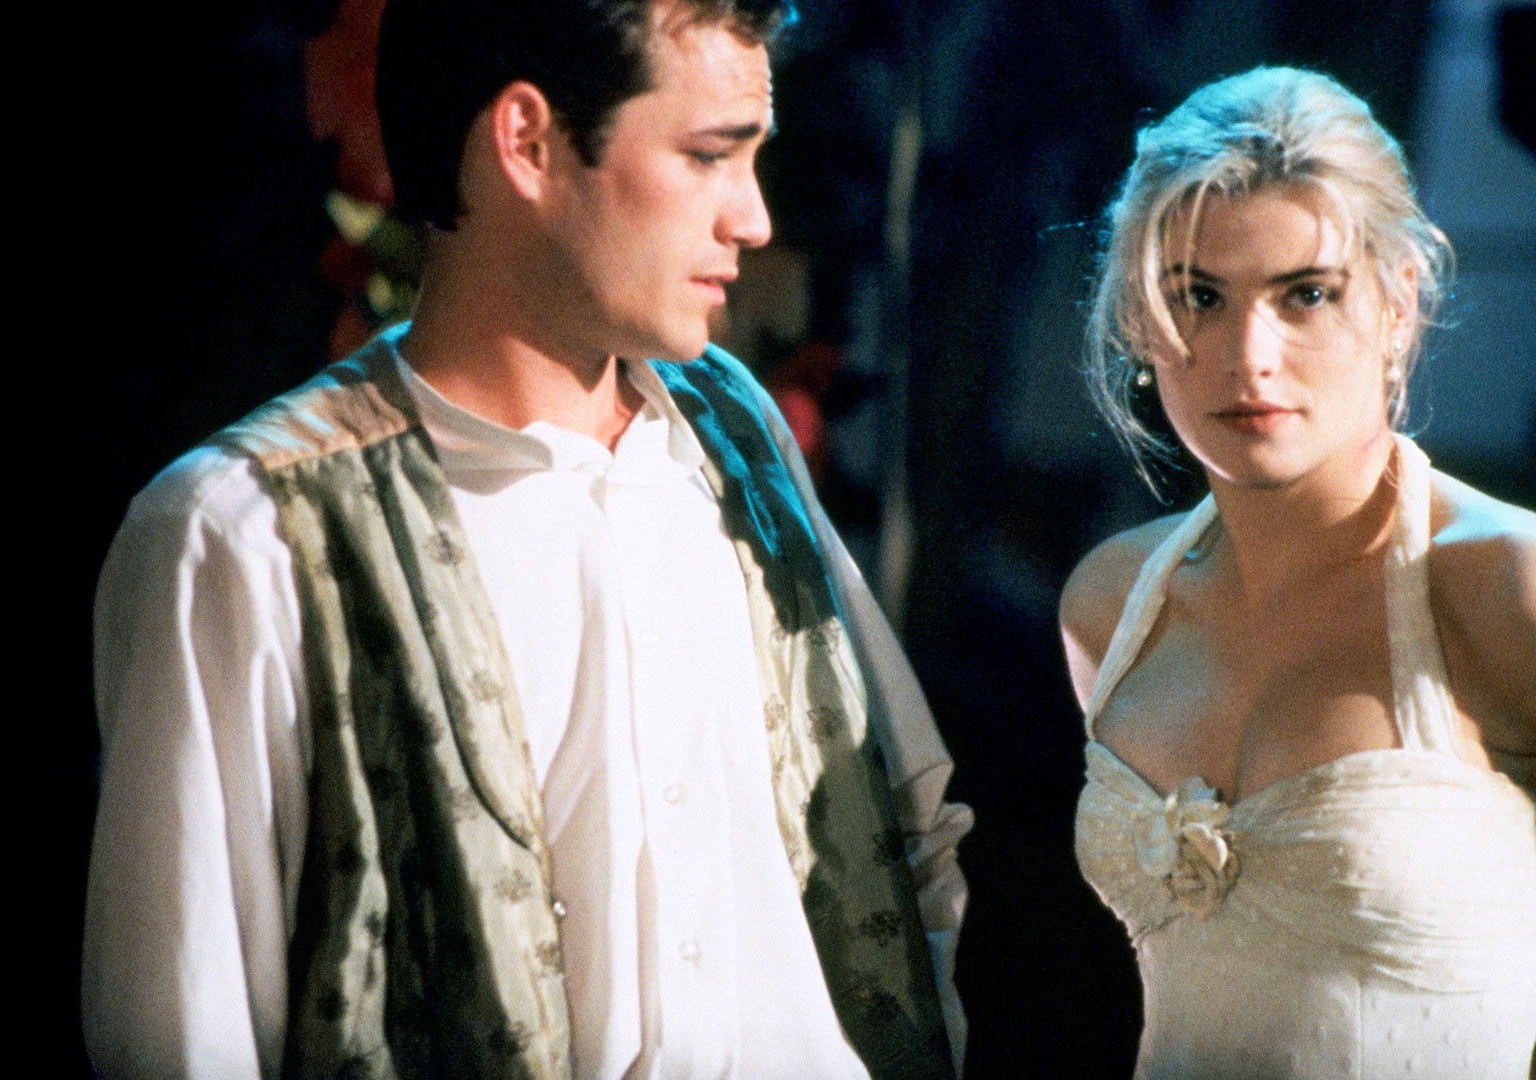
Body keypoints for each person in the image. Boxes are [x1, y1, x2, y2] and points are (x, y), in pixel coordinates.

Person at [83, 2, 972, 1078]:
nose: (753, 219)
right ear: (528, 142)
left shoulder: (733, 431)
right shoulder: (246, 536)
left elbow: (907, 830)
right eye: (708, 157)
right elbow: (185, 1033)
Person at [1060, 67, 1536, 1080]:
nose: (1250, 355)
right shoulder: (1113, 604)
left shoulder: (1507, 587)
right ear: (1139, 322)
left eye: (1307, 294)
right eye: (1199, 296)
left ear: (1398, 303)